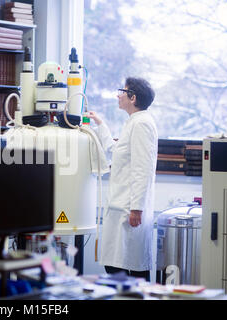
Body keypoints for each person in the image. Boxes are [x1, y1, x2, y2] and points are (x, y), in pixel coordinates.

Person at [86, 77, 158, 281]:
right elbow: (115, 150)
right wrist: (100, 124)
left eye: (121, 91)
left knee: (130, 270)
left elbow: (142, 169)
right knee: (115, 266)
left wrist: (136, 208)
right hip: (120, 206)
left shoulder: (142, 124)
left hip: (129, 209)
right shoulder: (133, 122)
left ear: (133, 97)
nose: (118, 95)